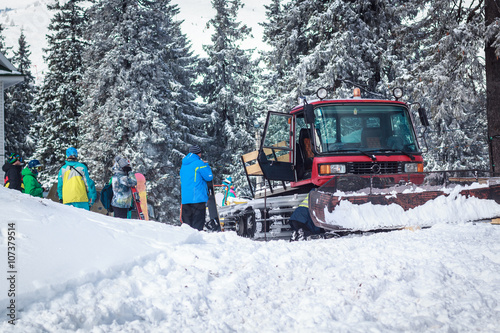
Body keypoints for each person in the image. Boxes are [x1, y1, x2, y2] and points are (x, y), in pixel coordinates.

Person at [180, 145, 213, 231]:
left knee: (187, 227)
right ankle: (196, 243)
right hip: (198, 198)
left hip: (185, 200)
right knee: (197, 227)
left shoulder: (183, 165)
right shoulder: (199, 163)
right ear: (198, 153)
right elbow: (209, 177)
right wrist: (206, 164)